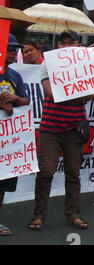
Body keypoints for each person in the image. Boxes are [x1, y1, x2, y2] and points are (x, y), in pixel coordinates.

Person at [28, 30, 94, 231]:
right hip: (50, 128)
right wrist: (81, 93)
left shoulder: (85, 65)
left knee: (73, 173)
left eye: (71, 43)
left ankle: (73, 214)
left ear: (77, 45)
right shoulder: (47, 64)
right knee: (45, 171)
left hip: (74, 128)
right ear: (58, 45)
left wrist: (78, 91)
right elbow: (51, 92)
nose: (67, 46)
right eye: (63, 43)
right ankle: (39, 214)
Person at [0, 34, 31, 236]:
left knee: (2, 181)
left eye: (15, 49)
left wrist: (14, 98)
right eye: (10, 48)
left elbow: (26, 100)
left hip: (7, 142)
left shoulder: (14, 75)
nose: (14, 52)